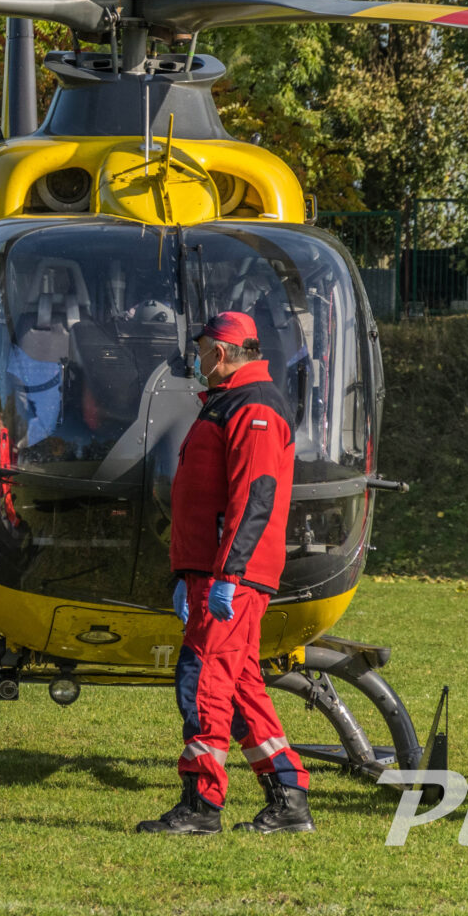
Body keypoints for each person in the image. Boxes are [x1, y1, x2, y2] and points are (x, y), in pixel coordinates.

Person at [139, 310, 313, 836]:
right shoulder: (231, 401)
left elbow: (254, 496)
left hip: (230, 574)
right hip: (215, 571)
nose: (195, 362)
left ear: (219, 352)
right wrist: (189, 572)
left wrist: (227, 575)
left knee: (203, 680)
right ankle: (289, 797)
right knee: (238, 685)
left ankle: (201, 804)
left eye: (199, 353)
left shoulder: (252, 405)